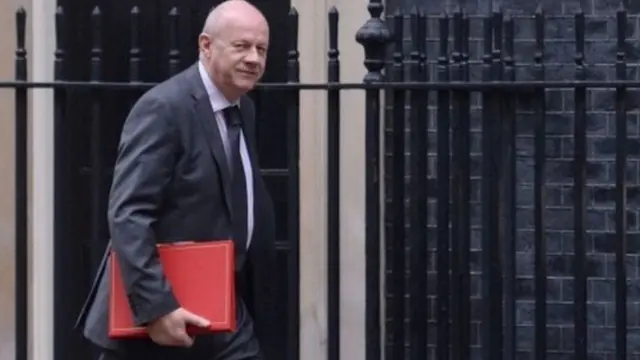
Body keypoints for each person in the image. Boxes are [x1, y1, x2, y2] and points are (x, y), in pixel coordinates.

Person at [74, 1, 277, 359]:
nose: (254, 59)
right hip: (162, 317)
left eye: (261, 49)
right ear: (206, 45)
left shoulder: (244, 107)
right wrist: (157, 308)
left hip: (225, 307)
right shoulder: (165, 108)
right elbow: (128, 214)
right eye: (242, 46)